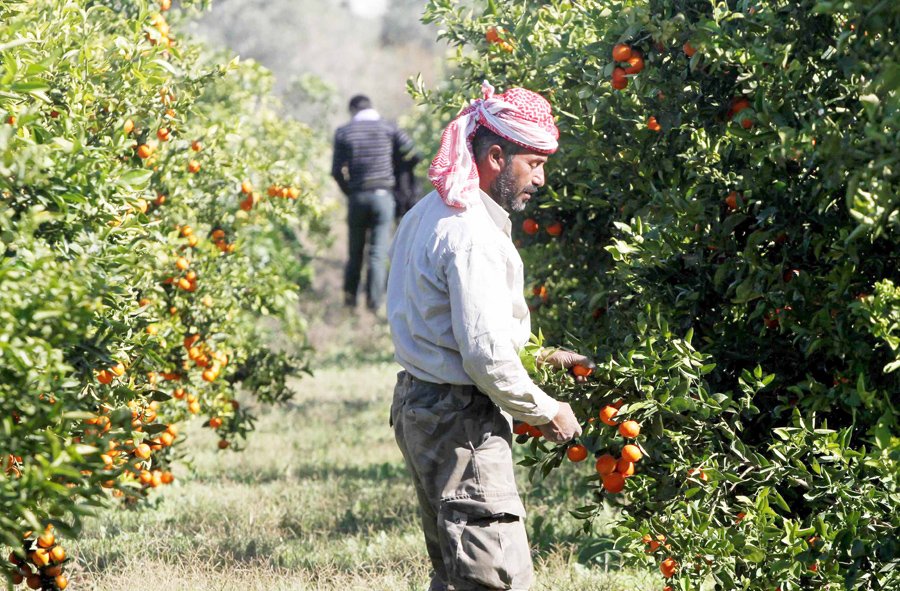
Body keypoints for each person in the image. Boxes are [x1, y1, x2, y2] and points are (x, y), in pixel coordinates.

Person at [386, 82, 594, 591]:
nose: (541, 179)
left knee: (457, 570)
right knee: (494, 578)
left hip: (421, 405)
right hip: (460, 423)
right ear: (497, 156)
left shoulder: (429, 212)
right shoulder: (471, 234)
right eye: (534, 163)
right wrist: (546, 409)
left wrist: (542, 358)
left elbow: (448, 329)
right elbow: (482, 356)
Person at [331, 94, 420, 312]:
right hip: (383, 198)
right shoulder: (389, 128)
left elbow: (336, 171)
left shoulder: (344, 132)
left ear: (352, 110)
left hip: (358, 196)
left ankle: (349, 301)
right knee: (378, 253)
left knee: (355, 252)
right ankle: (374, 304)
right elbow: (413, 153)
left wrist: (350, 192)